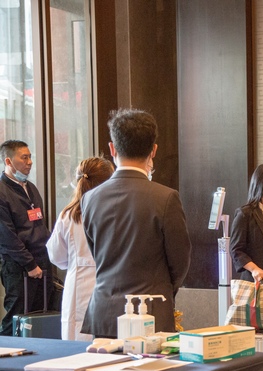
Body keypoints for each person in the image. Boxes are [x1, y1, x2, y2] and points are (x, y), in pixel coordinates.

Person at [80, 109, 191, 338]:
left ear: (112, 148)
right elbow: (180, 262)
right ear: (154, 150)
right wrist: (163, 290)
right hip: (152, 311)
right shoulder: (166, 198)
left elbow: (97, 253)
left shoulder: (90, 198)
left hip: (104, 312)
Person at [46, 157, 114, 341]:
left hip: (77, 284)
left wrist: (76, 261)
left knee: (76, 341)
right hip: (111, 283)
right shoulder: (116, 211)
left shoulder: (69, 214)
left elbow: (56, 255)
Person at [0, 140, 54, 336]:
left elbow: (39, 223)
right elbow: (7, 237)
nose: (29, 162)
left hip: (42, 262)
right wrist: (30, 264)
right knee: (16, 319)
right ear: (8, 161)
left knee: (40, 319)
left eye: (30, 157)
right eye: (24, 158)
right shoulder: (2, 191)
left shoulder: (30, 187)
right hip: (19, 266)